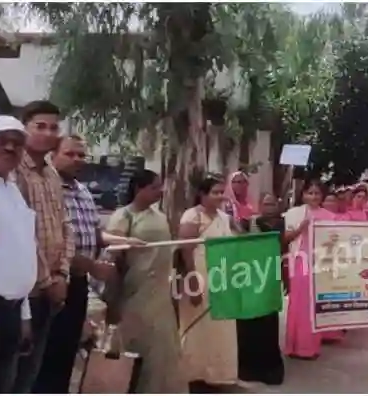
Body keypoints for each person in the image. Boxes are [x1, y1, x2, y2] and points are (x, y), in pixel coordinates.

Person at [33, 135, 142, 393]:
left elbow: (94, 235)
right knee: (44, 356)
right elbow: (52, 243)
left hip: (79, 286)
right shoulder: (47, 190)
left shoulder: (83, 192)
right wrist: (93, 267)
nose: (77, 160)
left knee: (67, 352)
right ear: (53, 154)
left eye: (82, 155)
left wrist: (125, 240)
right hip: (52, 282)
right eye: (70, 154)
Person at [11, 101, 75, 393]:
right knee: (10, 372)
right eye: (40, 126)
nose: (48, 133)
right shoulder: (13, 173)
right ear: (23, 128)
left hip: (53, 288)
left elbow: (66, 226)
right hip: (23, 293)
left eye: (53, 127)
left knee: (33, 372)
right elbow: (22, 234)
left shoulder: (51, 174)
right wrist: (48, 280)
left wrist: (62, 273)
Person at [106, 170, 187, 393]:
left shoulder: (160, 216)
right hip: (134, 296)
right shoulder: (123, 217)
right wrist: (113, 302)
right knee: (137, 348)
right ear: (138, 189)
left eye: (161, 187)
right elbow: (114, 262)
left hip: (160, 294)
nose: (160, 191)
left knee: (163, 350)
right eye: (154, 187)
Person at [177, 176, 242, 392]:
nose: (220, 196)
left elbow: (242, 239)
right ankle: (193, 374)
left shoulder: (226, 217)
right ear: (202, 195)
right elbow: (186, 251)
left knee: (222, 328)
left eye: (222, 192)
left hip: (224, 279)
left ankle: (219, 374)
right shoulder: (192, 216)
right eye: (215, 192)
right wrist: (193, 281)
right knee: (197, 326)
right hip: (200, 275)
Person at [0, 116, 38, 393]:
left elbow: (20, 254)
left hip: (9, 312)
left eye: (17, 143)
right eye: (1, 140)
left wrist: (24, 316)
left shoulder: (13, 192)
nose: (10, 148)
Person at [237, 193, 287, 385]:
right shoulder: (248, 223)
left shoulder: (282, 224)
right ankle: (248, 368)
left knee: (268, 320)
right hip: (249, 276)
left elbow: (283, 247)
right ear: (259, 205)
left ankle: (269, 370)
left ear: (277, 205)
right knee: (249, 320)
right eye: (265, 203)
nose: (268, 207)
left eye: (272, 204)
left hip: (270, 276)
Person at [283, 179, 336, 359]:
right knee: (297, 303)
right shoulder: (293, 213)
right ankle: (293, 346)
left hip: (319, 263)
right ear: (303, 194)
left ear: (322, 196)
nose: (313, 197)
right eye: (310, 193)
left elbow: (335, 243)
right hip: (299, 260)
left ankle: (309, 348)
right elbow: (286, 238)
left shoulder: (329, 216)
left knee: (313, 304)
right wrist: (301, 228)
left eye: (317, 193)